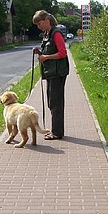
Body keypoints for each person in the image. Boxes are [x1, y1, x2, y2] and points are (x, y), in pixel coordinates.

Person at [32, 10, 69, 140]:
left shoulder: (56, 33)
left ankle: (57, 132)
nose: (38, 26)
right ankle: (55, 130)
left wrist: (46, 57)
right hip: (52, 73)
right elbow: (51, 51)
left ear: (46, 20)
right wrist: (40, 52)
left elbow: (63, 53)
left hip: (58, 73)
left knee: (56, 103)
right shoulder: (47, 34)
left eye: (39, 23)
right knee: (52, 102)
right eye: (36, 24)